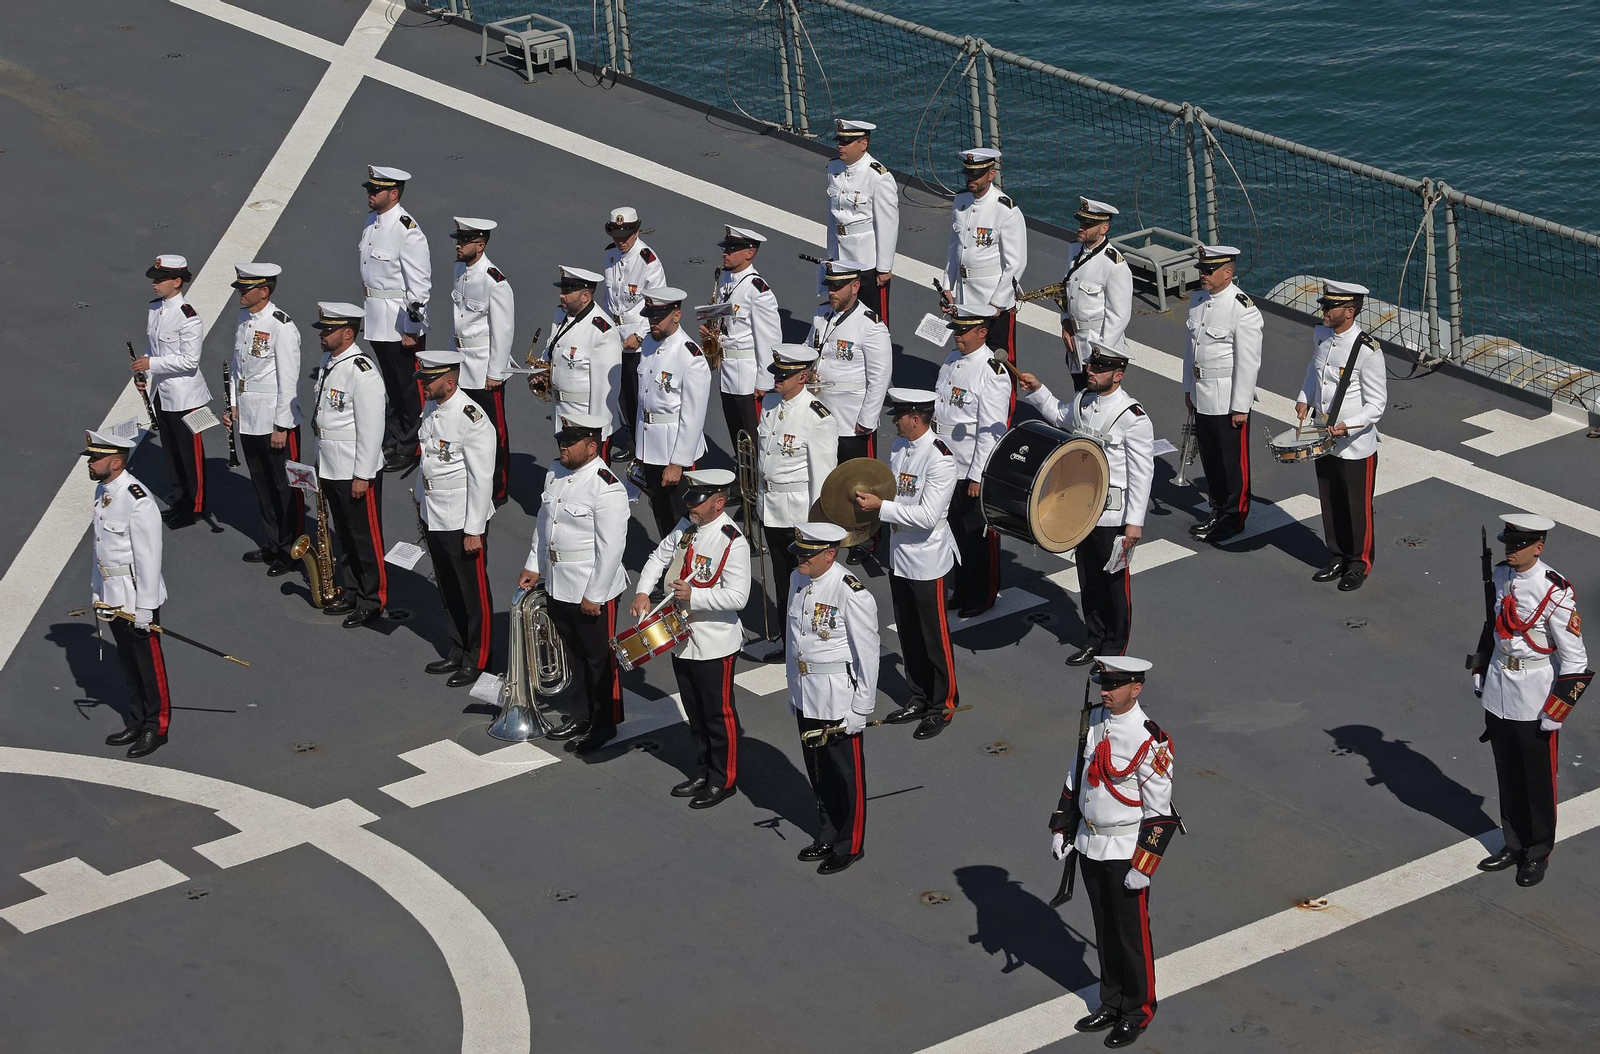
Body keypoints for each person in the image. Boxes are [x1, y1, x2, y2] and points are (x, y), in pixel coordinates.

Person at [1048, 656, 1179, 1049]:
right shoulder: (1094, 720)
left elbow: (1160, 812)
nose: (1105, 691)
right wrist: (1062, 826)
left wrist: (1144, 865)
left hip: (1126, 850)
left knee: (1131, 936)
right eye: (1103, 683)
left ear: (1136, 688)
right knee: (1105, 928)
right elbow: (1076, 775)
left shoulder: (1150, 740)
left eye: (1114, 685)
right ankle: (1112, 1001)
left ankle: (1138, 1010)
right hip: (1090, 842)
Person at [1471, 513, 1592, 887]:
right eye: (1508, 543)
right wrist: (1480, 666)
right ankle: (1513, 843)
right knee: (1507, 772)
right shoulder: (1501, 576)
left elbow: (1576, 659)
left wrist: (1557, 710)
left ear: (1538, 548)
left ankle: (1537, 852)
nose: (1510, 550)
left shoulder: (1554, 591)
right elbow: (1493, 625)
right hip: (1499, 687)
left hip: (1535, 694)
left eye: (1518, 545)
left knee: (1538, 781)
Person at [1019, 342, 1154, 665]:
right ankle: (1094, 639)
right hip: (1081, 513)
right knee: (1089, 581)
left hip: (1112, 516)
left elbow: (1142, 472)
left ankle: (1115, 653)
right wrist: (1038, 390)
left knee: (1114, 586)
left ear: (1118, 375)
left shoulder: (1133, 417)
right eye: (1091, 366)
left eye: (1099, 368)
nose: (1090, 371)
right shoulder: (1084, 400)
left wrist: (1134, 522)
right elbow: (1060, 416)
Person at [631, 469, 751, 808]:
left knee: (717, 714)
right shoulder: (688, 526)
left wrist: (694, 596)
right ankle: (703, 770)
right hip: (682, 637)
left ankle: (723, 779)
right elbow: (659, 556)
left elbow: (739, 597)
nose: (689, 507)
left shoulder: (731, 541)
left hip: (714, 642)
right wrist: (643, 591)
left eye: (697, 502)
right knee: (695, 712)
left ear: (718, 503)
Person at [851, 388, 959, 739]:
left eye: (899, 416)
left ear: (915, 418)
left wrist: (880, 508)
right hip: (900, 554)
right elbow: (895, 491)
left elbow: (927, 516)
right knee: (909, 631)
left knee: (934, 637)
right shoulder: (900, 445)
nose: (894, 421)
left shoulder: (940, 459)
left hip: (928, 558)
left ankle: (943, 705)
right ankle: (919, 696)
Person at [519, 413, 630, 755]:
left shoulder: (606, 487)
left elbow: (611, 549)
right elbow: (545, 522)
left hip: (590, 587)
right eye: (561, 442)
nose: (562, 448)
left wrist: (595, 595)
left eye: (570, 442)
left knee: (599, 659)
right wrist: (534, 565)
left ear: (592, 447)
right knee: (573, 654)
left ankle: (604, 723)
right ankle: (581, 715)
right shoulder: (555, 473)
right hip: (558, 582)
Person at [786, 522, 879, 875]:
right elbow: (794, 638)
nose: (801, 560)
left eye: (807, 555)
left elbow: (868, 654)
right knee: (818, 769)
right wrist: (793, 688)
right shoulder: (798, 579)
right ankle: (828, 832)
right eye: (800, 554)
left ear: (830, 554)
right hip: (806, 692)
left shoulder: (851, 593)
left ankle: (850, 844)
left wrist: (861, 707)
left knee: (846, 776)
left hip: (838, 698)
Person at [85, 430, 172, 759]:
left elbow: (149, 557)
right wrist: (98, 591)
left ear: (116, 463)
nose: (91, 463)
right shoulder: (104, 491)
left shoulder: (138, 499)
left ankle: (157, 727)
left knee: (149, 666)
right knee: (129, 662)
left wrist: (146, 608)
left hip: (135, 597)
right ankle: (137, 720)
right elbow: (100, 548)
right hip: (113, 595)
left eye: (96, 458)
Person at [1295, 280, 1386, 591]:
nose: (1324, 310)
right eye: (1324, 304)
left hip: (1355, 444)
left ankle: (1359, 563)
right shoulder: (1321, 336)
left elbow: (1376, 405)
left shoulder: (1368, 351)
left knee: (1357, 506)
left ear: (1349, 311)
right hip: (1323, 434)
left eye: (1329, 307)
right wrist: (1304, 397)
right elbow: (1315, 371)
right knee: (1330, 499)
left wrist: (1349, 425)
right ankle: (1337, 555)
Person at [415, 351, 497, 688]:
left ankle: (479, 657)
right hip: (434, 513)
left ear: (449, 382)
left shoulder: (472, 418)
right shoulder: (433, 408)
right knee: (448, 586)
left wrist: (474, 529)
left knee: (471, 591)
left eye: (429, 380)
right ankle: (458, 647)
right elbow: (429, 459)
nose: (423, 385)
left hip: (461, 519)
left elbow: (481, 478)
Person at [310, 302, 389, 628]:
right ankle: (353, 590)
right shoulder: (329, 362)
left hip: (354, 469)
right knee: (343, 532)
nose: (322, 335)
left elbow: (372, 428)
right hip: (331, 464)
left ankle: (373, 599)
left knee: (364, 537)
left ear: (347, 333)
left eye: (328, 331)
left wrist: (362, 475)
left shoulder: (362, 371)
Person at [224, 262, 303, 574]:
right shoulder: (245, 318)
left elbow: (289, 380)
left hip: (273, 420)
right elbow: (237, 366)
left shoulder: (281, 325)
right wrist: (233, 405)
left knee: (284, 488)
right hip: (249, 416)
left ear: (265, 291)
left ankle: (290, 550)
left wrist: (281, 425)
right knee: (262, 485)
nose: (241, 294)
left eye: (247, 289)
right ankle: (272, 543)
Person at [758, 346, 838, 645]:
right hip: (770, 507)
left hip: (799, 514)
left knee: (805, 583)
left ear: (803, 377)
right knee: (782, 581)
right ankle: (787, 641)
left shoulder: (818, 417)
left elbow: (823, 477)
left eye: (784, 375)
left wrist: (817, 526)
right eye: (777, 373)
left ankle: (808, 640)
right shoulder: (769, 402)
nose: (777, 379)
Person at [935, 305, 1011, 617]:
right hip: (946, 461)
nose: (958, 335)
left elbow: (992, 430)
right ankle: (963, 588)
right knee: (953, 529)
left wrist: (979, 475)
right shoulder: (952, 359)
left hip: (969, 465)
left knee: (976, 534)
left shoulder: (992, 372)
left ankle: (983, 594)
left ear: (982, 332)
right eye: (956, 330)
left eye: (964, 331)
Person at [1182, 245, 1263, 543]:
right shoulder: (1198, 300)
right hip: (1202, 394)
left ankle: (1234, 517)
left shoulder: (1243, 310)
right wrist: (1188, 389)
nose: (1202, 275)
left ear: (1227, 273)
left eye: (1208, 270)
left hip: (1227, 400)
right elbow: (1190, 350)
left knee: (1232, 463)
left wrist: (1240, 407)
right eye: (1201, 270)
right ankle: (1217, 510)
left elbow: (1248, 363)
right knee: (1212, 459)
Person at [357, 165, 431, 474]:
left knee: (410, 388)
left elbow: (420, 285)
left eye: (376, 190)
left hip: (400, 324)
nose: (370, 194)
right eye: (370, 189)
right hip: (377, 318)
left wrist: (412, 329)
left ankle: (412, 444)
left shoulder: (407, 231)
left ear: (394, 193)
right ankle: (396, 434)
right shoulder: (372, 222)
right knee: (392, 384)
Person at [131, 253, 211, 529]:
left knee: (191, 456)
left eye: (160, 279)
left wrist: (152, 364)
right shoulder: (156, 309)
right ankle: (180, 500)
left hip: (187, 398)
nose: (154, 284)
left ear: (177, 282)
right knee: (172, 453)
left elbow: (190, 360)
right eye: (154, 279)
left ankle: (195, 507)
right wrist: (144, 371)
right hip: (163, 395)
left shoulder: (189, 317)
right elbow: (154, 347)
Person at [635, 286, 713, 539]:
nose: (653, 323)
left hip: (674, 451)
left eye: (659, 317)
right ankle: (666, 560)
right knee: (661, 514)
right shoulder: (648, 343)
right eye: (650, 316)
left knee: (684, 519)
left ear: (676, 315)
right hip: (650, 446)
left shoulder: (691, 357)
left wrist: (678, 462)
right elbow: (644, 400)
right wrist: (640, 450)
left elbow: (693, 417)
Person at [449, 217, 515, 506]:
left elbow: (503, 330)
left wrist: (495, 372)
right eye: (458, 240)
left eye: (464, 241)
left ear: (480, 245)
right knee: (466, 427)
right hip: (462, 365)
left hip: (483, 370)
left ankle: (498, 489)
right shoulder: (459, 271)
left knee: (495, 433)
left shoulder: (495, 282)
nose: (458, 245)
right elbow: (459, 320)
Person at [941, 149, 1026, 367]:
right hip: (964, 296)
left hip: (992, 299)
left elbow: (1016, 263)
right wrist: (947, 286)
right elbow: (954, 248)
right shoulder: (961, 201)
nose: (972, 178)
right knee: (967, 355)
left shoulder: (1006, 209)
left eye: (977, 174)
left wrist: (997, 303)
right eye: (969, 174)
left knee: (1000, 361)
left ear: (991, 174)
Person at [805, 260, 891, 462]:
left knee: (855, 477)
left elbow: (880, 378)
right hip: (818, 413)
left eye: (837, 287)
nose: (831, 292)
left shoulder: (871, 326)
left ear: (855, 287)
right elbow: (808, 349)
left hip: (850, 422)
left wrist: (867, 420)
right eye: (830, 286)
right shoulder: (821, 314)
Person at [704, 225, 780, 450]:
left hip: (748, 378)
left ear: (749, 253)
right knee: (737, 435)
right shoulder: (726, 280)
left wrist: (765, 381)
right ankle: (742, 471)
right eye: (725, 248)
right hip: (727, 373)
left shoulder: (758, 290)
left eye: (732, 249)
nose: (725, 253)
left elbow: (770, 339)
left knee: (754, 439)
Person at [540, 265, 623, 457]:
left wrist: (596, 434)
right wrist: (541, 371)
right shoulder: (561, 315)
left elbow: (606, 392)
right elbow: (552, 347)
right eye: (562, 290)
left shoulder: (602, 332)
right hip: (562, 414)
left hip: (586, 421)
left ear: (585, 296)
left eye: (568, 291)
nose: (561, 295)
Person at [602, 206, 667, 450]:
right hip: (614, 332)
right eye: (616, 236)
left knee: (639, 392)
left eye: (625, 236)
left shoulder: (648, 261)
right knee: (620, 390)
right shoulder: (610, 256)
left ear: (637, 232)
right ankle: (631, 439)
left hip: (639, 335)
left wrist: (639, 336)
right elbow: (609, 298)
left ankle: (644, 444)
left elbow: (658, 302)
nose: (621, 241)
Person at [825, 120, 898, 323]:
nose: (840, 146)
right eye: (840, 141)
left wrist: (884, 267)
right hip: (840, 255)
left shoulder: (879, 177)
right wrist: (831, 253)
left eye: (846, 142)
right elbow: (832, 215)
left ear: (863, 144)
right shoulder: (833, 168)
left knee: (874, 320)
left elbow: (888, 225)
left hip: (867, 261)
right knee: (842, 313)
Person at [1060, 198, 1133, 391]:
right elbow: (1066, 291)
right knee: (1080, 395)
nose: (1081, 227)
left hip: (1099, 347)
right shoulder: (1074, 250)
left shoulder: (1114, 265)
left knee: (1099, 400)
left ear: (1104, 228)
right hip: (1076, 343)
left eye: (1088, 224)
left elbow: (1118, 316)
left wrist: (1099, 355)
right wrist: (1065, 322)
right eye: (1081, 222)